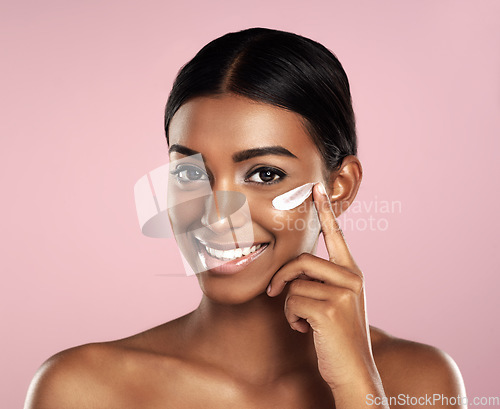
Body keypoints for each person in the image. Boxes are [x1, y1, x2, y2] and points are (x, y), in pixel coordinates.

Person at [25, 27, 466, 409]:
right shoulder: (83, 389)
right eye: (189, 172)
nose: (217, 216)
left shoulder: (420, 382)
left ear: (339, 186)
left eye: (264, 174)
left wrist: (357, 387)